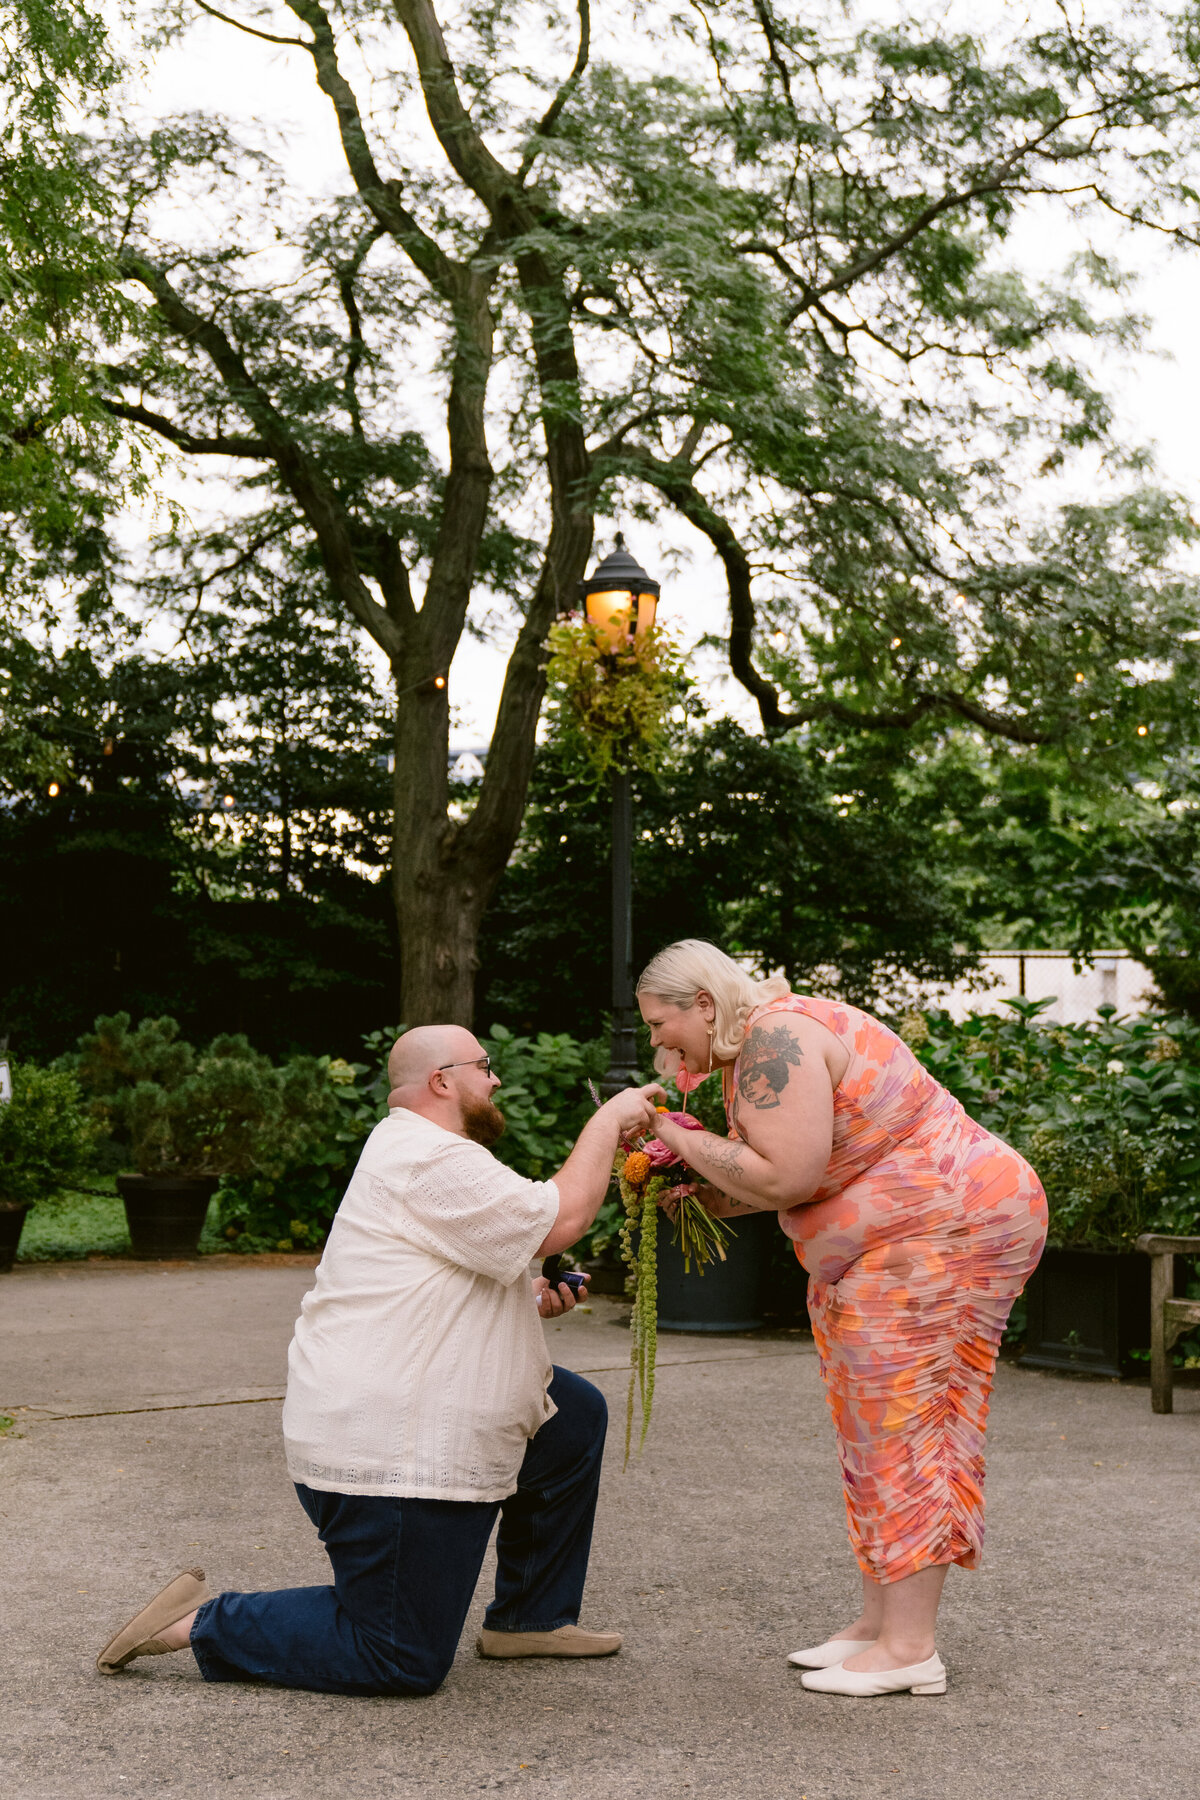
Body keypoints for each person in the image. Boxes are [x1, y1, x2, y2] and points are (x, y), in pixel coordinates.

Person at [97, 1025, 662, 1695]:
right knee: (398, 1656)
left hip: (405, 1413)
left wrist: (528, 1298)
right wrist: (607, 1122)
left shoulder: (424, 1152)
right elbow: (558, 1221)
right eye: (486, 1067)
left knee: (570, 1416)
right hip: (392, 1451)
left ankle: (530, 1617)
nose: (497, 1080)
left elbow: (456, 1269)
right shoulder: (426, 1156)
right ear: (443, 1081)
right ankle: (199, 1625)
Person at [637, 939, 1047, 1699]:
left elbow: (789, 1175)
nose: (658, 1042)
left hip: (941, 1231)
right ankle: (877, 1624)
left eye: (661, 1023)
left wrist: (676, 1136)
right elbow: (788, 1179)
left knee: (904, 1421)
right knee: (869, 1421)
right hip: (896, 1242)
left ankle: (910, 1647)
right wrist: (698, 1180)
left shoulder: (776, 1035)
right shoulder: (760, 1045)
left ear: (703, 1003)